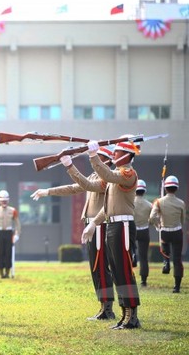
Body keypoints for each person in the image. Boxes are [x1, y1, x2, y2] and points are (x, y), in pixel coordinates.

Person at [31, 146, 116, 320]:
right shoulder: (95, 176)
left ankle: (107, 308)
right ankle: (103, 306)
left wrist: (70, 166)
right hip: (92, 225)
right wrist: (48, 191)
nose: (94, 162)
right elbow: (73, 188)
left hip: (99, 225)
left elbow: (85, 185)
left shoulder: (107, 178)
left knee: (101, 267)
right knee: (95, 268)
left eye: (97, 158)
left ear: (105, 160)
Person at [82, 136, 141, 329]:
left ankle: (132, 315)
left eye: (116, 152)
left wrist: (94, 156)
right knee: (116, 271)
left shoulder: (128, 173)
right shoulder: (115, 175)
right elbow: (107, 208)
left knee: (124, 271)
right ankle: (125, 315)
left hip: (123, 226)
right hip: (113, 226)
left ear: (126, 155)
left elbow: (106, 176)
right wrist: (93, 224)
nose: (113, 154)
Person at [150, 175, 186, 293]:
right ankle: (177, 286)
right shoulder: (181, 203)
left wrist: (158, 226)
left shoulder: (159, 202)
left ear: (165, 188)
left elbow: (152, 217)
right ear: (176, 188)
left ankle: (166, 263)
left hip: (164, 231)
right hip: (177, 232)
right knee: (177, 259)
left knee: (165, 250)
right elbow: (183, 220)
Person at [0, 190, 21, 279]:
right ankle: (1, 272)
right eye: (2, 200)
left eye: (5, 200)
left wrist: (17, 234)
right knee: (1, 253)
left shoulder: (13, 210)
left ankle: (7, 272)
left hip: (9, 233)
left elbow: (17, 223)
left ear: (8, 200)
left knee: (8, 253)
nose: (4, 202)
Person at [134, 180, 154, 287]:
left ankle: (133, 255)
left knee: (128, 253)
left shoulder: (130, 202)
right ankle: (143, 280)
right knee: (143, 256)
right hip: (144, 231)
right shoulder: (150, 205)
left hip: (132, 230)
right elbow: (152, 219)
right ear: (144, 191)